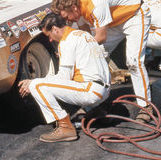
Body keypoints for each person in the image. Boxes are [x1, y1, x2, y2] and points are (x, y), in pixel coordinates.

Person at [51, 0, 153, 122]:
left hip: (134, 15)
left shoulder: (94, 5)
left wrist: (72, 50)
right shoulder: (77, 10)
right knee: (96, 56)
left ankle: (146, 106)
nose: (68, 21)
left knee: (134, 61)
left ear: (74, 8)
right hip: (113, 21)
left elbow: (100, 37)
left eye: (66, 17)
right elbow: (86, 38)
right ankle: (94, 104)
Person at [18, 13, 110, 142]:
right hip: (104, 90)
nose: (50, 40)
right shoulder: (83, 34)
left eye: (49, 35)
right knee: (64, 81)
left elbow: (64, 78)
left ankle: (66, 128)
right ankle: (95, 111)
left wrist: (34, 81)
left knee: (36, 86)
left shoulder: (67, 41)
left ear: (55, 29)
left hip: (91, 91)